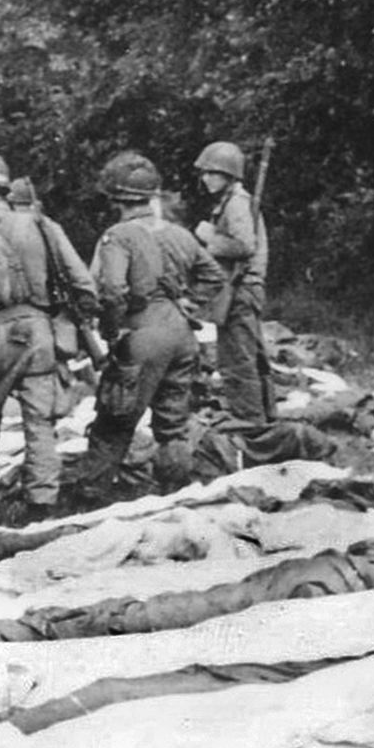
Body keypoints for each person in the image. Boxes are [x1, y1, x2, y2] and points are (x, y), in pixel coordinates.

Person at [0, 149, 97, 524]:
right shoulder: (43, 225)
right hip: (41, 336)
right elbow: (84, 287)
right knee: (40, 424)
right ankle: (43, 509)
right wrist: (65, 321)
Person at [73, 151, 224, 494]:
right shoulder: (180, 234)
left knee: (112, 425)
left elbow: (112, 290)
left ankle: (88, 502)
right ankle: (176, 496)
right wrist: (190, 303)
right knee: (173, 427)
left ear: (115, 197)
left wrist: (111, 332)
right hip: (181, 334)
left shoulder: (118, 236)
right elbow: (213, 275)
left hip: (141, 335)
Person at [191, 140, 272, 421]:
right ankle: (264, 419)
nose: (206, 178)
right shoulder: (232, 202)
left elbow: (244, 246)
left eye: (212, 173)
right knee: (249, 357)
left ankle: (250, 424)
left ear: (228, 175)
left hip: (241, 289)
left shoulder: (237, 204)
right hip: (241, 288)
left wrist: (208, 237)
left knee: (237, 361)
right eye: (205, 173)